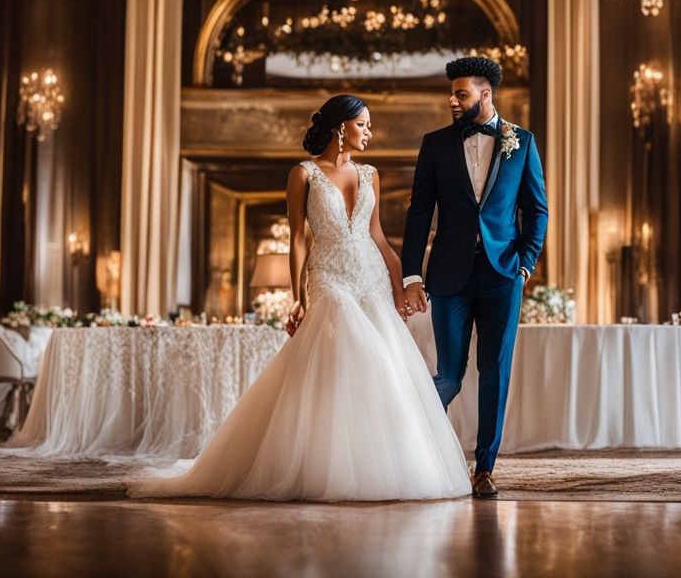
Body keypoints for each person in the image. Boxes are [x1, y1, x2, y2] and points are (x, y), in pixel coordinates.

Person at [128, 95, 470, 501]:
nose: (369, 133)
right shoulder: (303, 174)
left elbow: (377, 236)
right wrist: (298, 296)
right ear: (342, 127)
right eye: (363, 125)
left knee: (383, 366)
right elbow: (296, 240)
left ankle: (376, 463)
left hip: (371, 278)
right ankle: (321, 465)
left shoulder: (370, 174)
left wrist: (400, 285)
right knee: (344, 354)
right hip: (328, 276)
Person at [401, 56, 548, 499]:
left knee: (494, 372)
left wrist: (525, 263)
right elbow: (419, 213)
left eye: (460, 94)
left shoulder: (522, 142)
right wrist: (412, 275)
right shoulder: (435, 144)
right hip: (449, 276)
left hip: (504, 275)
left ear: (485, 95)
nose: (452, 101)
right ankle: (407, 446)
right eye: (452, 94)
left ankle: (484, 468)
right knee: (448, 374)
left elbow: (537, 209)